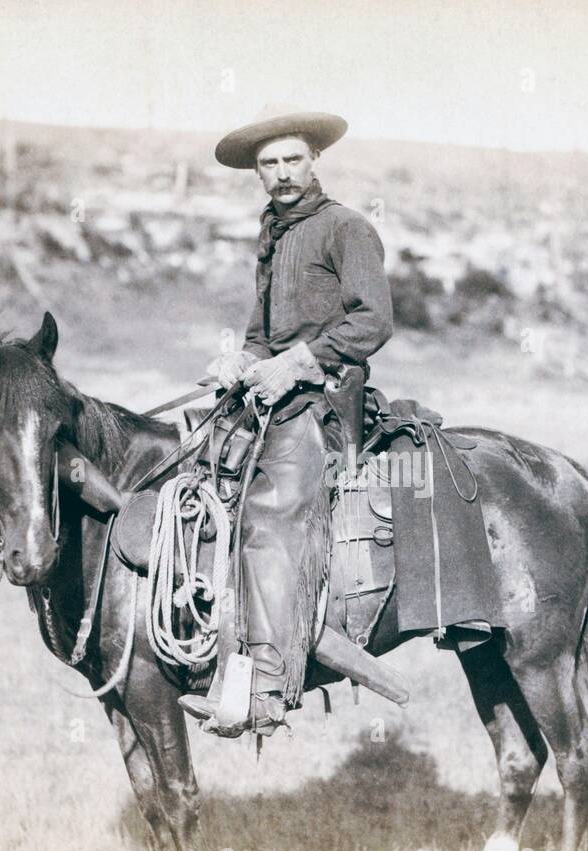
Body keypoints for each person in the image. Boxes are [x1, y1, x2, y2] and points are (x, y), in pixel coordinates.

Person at [178, 104, 393, 737]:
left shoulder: (345, 229)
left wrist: (298, 362)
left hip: (326, 402)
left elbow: (373, 321)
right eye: (268, 164)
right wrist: (239, 362)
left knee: (271, 516)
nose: (280, 173)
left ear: (315, 159)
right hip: (276, 396)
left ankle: (268, 687)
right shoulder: (273, 235)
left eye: (291, 159)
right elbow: (260, 334)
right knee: (196, 477)